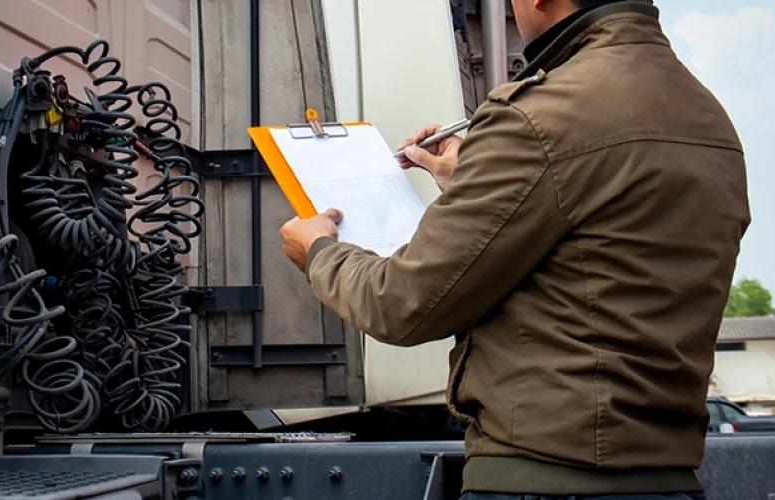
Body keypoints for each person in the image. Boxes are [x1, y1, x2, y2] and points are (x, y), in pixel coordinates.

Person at [279, 0, 750, 498]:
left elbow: (402, 303)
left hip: (545, 479)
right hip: (669, 476)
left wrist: (318, 252)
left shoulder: (541, 114)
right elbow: (606, 248)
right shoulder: (708, 118)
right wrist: (475, 187)